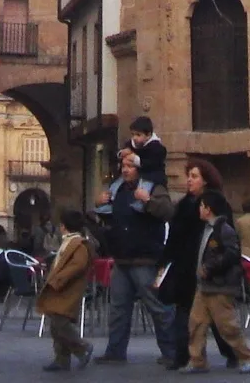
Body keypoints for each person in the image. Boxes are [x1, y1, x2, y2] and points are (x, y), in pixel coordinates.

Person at [94, 154, 176, 365]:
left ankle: (172, 352)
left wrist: (148, 201)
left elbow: (167, 212)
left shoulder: (153, 188)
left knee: (158, 308)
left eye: (130, 166)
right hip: (122, 259)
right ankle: (115, 351)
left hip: (145, 259)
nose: (125, 169)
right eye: (123, 165)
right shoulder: (117, 189)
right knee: (118, 309)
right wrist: (100, 204)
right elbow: (108, 216)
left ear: (139, 169)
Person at [157, 158, 237, 371]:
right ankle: (185, 356)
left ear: (205, 180)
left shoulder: (217, 205)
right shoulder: (184, 205)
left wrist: (213, 264)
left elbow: (224, 238)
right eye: (189, 176)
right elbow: (174, 237)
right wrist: (164, 261)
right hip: (185, 269)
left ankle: (235, 353)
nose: (189, 181)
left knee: (218, 320)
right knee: (186, 317)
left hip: (208, 268)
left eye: (194, 176)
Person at [183, 193, 250, 374]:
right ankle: (197, 360)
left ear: (208, 209)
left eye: (202, 206)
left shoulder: (224, 230)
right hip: (204, 286)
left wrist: (210, 268)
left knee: (227, 326)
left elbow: (232, 254)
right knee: (196, 324)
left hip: (219, 286)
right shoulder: (206, 229)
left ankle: (247, 356)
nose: (199, 209)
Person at [36, 209, 95, 372]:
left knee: (60, 322)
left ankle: (82, 347)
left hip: (67, 288)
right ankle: (62, 358)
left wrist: (59, 279)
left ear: (63, 226)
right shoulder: (69, 241)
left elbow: (78, 264)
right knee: (56, 323)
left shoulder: (78, 243)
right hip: (61, 287)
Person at [118, 116, 168, 187]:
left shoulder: (157, 148)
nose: (134, 138)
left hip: (152, 179)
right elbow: (120, 153)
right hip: (135, 178)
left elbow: (151, 164)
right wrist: (121, 153)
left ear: (148, 135)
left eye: (138, 135)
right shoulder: (131, 144)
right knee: (118, 184)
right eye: (133, 134)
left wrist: (135, 159)